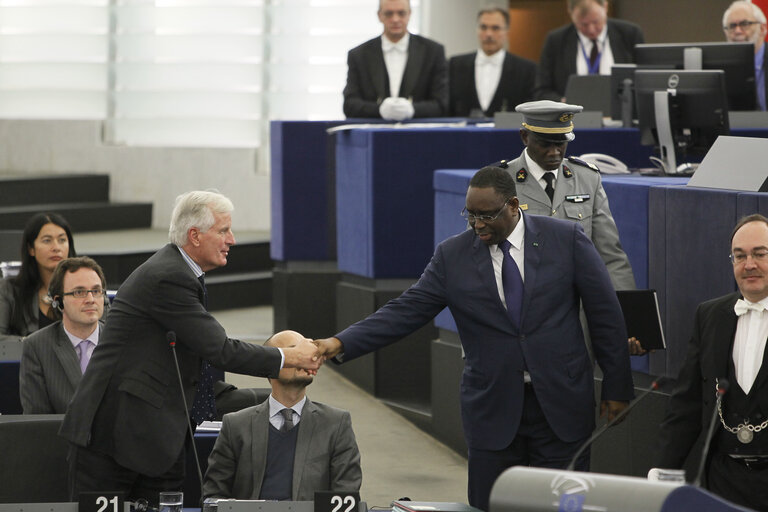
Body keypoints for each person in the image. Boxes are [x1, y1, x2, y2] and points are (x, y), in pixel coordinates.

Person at [314, 166, 633, 511]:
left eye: (486, 215)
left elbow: (606, 314)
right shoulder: (452, 256)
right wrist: (341, 342)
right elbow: (406, 310)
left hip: (561, 404)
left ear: (514, 206)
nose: (477, 224)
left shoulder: (566, 239)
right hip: (492, 409)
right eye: (470, 215)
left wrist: (617, 387)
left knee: (562, 506)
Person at [60, 190, 321, 504]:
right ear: (195, 236)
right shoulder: (169, 277)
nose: (233, 239)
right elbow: (220, 349)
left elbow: (194, 363)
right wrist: (290, 356)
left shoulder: (182, 272)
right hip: (113, 440)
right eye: (223, 231)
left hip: (156, 437)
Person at [496, 100, 642, 355]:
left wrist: (627, 319)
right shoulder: (500, 182)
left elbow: (610, 256)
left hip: (575, 322)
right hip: (521, 318)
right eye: (545, 144)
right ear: (524, 136)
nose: (554, 152)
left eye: (561, 143)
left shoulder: (587, 178)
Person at [654, 214, 768, 511]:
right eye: (740, 256)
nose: (749, 265)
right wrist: (663, 472)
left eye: (760, 253)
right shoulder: (710, 316)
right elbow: (687, 404)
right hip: (721, 483)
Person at [203, 330, 362, 501]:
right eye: (295, 351)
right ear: (270, 363)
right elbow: (213, 496)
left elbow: (346, 496)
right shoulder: (235, 425)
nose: (307, 358)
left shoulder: (336, 424)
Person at [19, 256, 106, 414]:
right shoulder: (37, 347)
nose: (90, 299)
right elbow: (37, 422)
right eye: (79, 292)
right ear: (59, 302)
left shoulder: (121, 341)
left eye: (96, 291)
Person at [342, 0, 448, 120]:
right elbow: (349, 105)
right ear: (379, 15)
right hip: (374, 134)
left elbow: (441, 104)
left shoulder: (433, 52)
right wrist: (379, 110)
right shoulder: (358, 55)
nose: (395, 19)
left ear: (409, 14)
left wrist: (412, 109)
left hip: (419, 133)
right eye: (389, 13)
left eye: (401, 13)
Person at [534, 0, 644, 101]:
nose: (591, 30)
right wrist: (563, 103)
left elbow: (643, 81)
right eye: (583, 24)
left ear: (605, 7)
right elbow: (541, 90)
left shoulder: (630, 34)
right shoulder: (556, 41)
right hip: (572, 118)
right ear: (571, 14)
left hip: (621, 115)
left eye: (596, 22)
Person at [0, 212, 76, 342]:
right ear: (31, 249)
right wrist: (36, 347)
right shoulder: (9, 289)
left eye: (62, 240)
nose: (56, 247)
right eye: (47, 240)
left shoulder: (84, 288)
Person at [448, 7, 536, 117]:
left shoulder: (526, 69)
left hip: (508, 134)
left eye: (495, 28)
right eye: (483, 27)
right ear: (477, 30)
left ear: (507, 32)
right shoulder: (455, 65)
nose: (489, 34)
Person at [723, 0, 767, 111]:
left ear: (762, 29)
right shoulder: (722, 69)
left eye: (745, 24)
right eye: (732, 26)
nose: (737, 31)